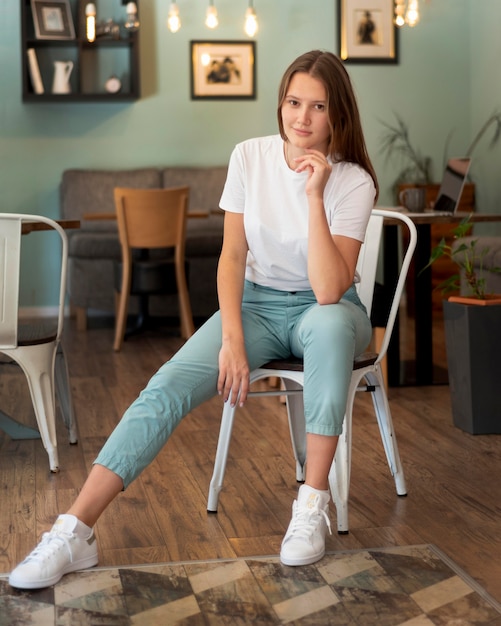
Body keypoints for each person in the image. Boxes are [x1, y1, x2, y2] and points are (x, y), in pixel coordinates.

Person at [9, 49, 378, 590]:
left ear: (337, 114)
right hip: (254, 304)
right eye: (293, 102)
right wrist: (231, 339)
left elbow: (328, 288)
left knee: (325, 327)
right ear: (280, 104)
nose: (302, 118)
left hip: (330, 310)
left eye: (317, 107)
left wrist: (315, 195)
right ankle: (75, 530)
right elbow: (230, 258)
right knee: (166, 386)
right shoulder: (249, 157)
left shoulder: (352, 181)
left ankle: (311, 504)